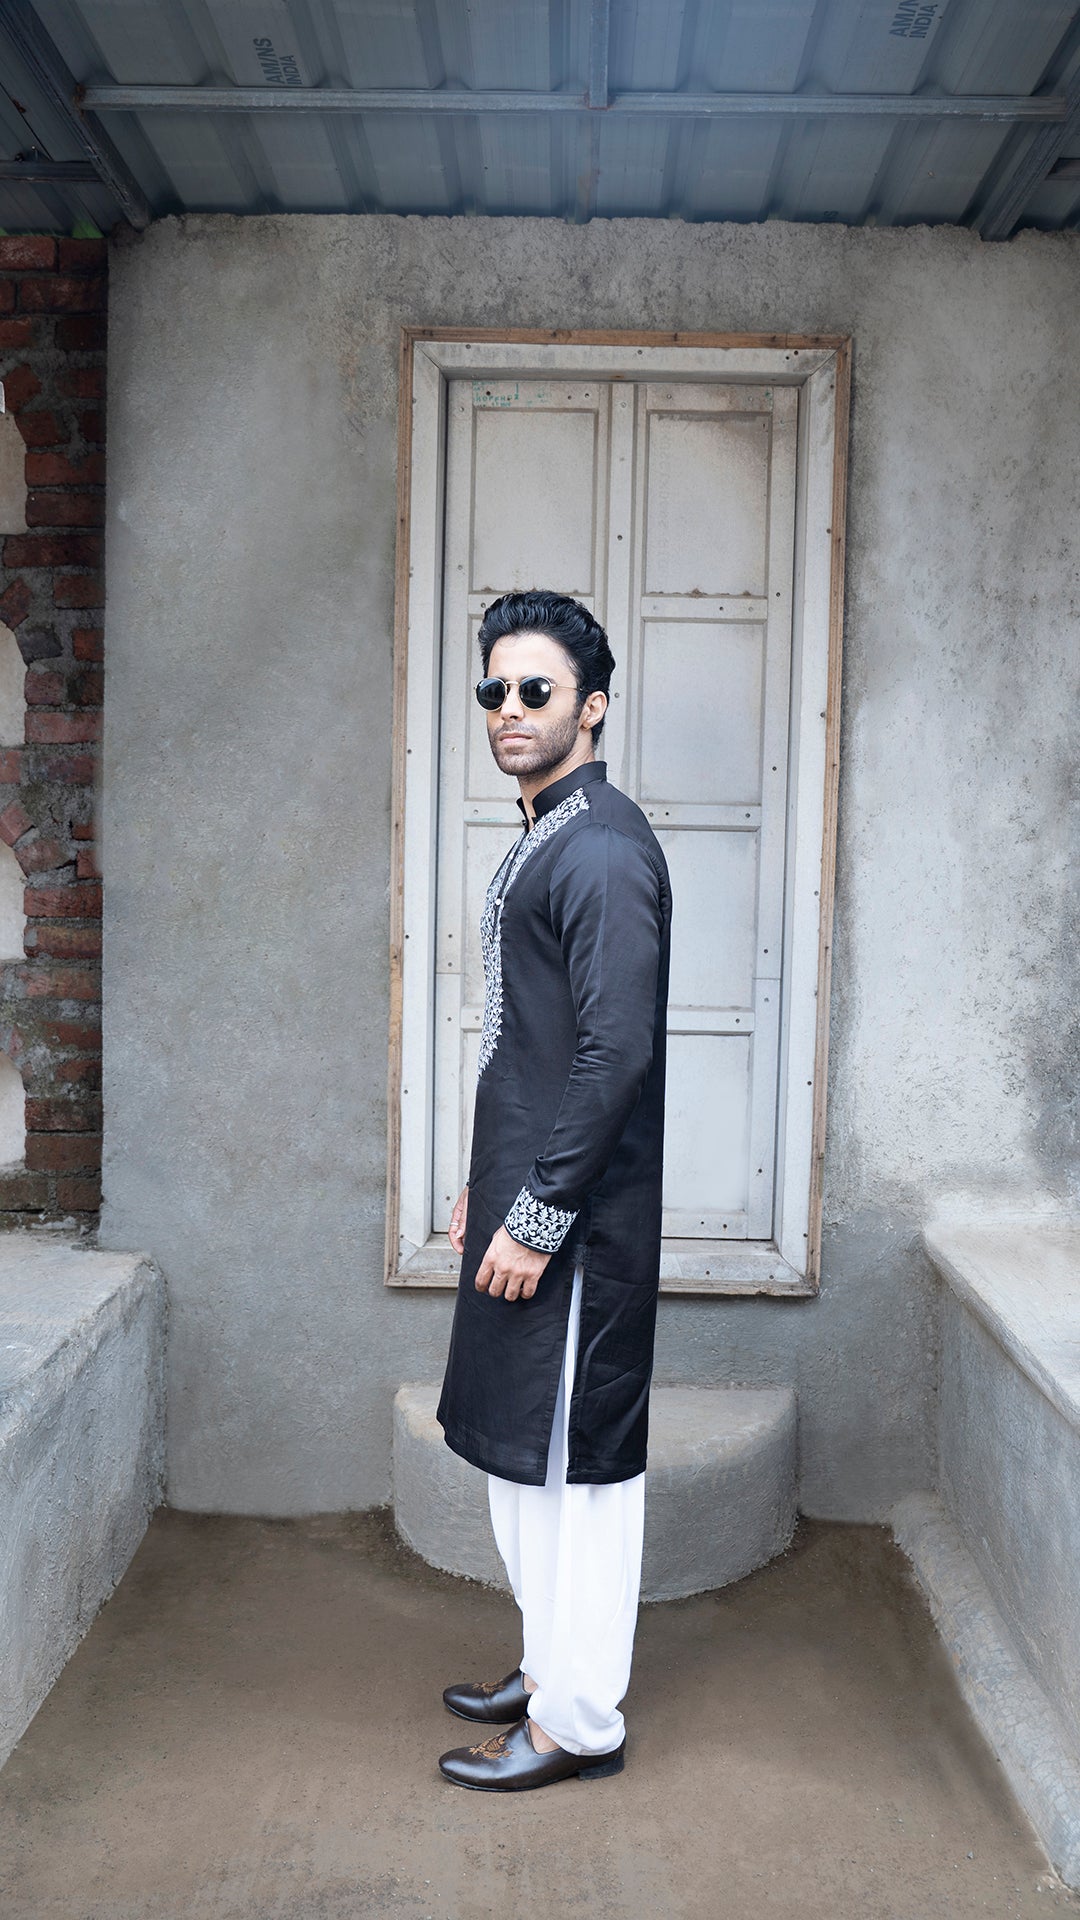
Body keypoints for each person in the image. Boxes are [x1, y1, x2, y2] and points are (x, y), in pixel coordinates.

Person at [435, 589, 672, 1792]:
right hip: (526, 1197)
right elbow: (527, 1046)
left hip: (577, 1226)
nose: (510, 709)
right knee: (523, 1459)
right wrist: (487, 1192)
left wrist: (535, 1218)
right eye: (495, 689)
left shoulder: (605, 848)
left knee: (578, 1475)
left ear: (593, 707)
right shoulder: (548, 830)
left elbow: (612, 1054)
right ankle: (546, 1666)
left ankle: (579, 1724)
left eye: (537, 689)